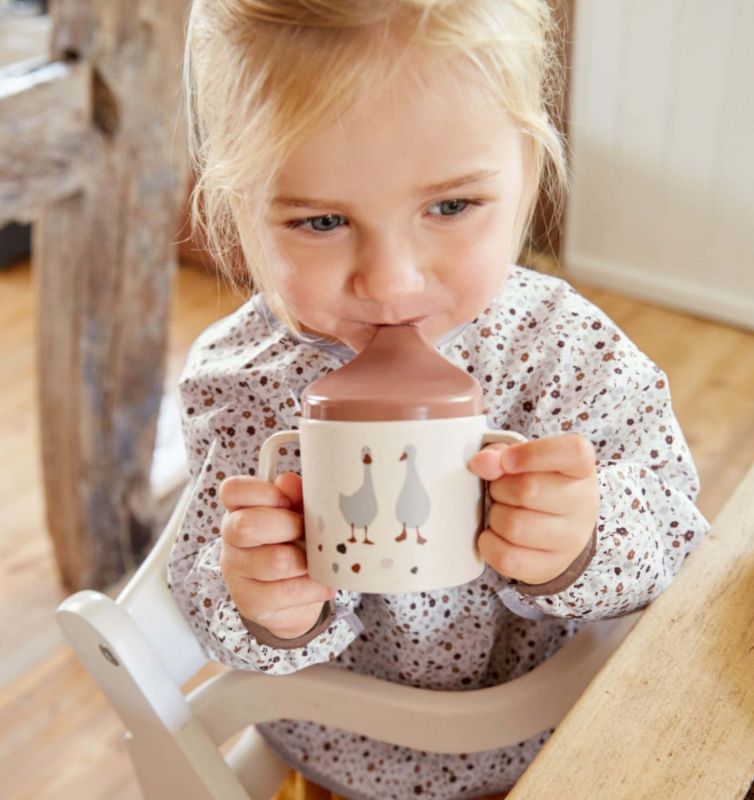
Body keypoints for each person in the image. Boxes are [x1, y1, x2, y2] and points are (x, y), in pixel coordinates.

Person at [168, 1, 710, 798]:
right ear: (235, 206)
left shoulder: (564, 351)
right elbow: (206, 584)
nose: (390, 283)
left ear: (527, 171)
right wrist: (265, 603)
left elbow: (679, 532)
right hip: (346, 762)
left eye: (450, 207)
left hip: (559, 745)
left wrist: (588, 539)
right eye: (321, 220)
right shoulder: (237, 382)